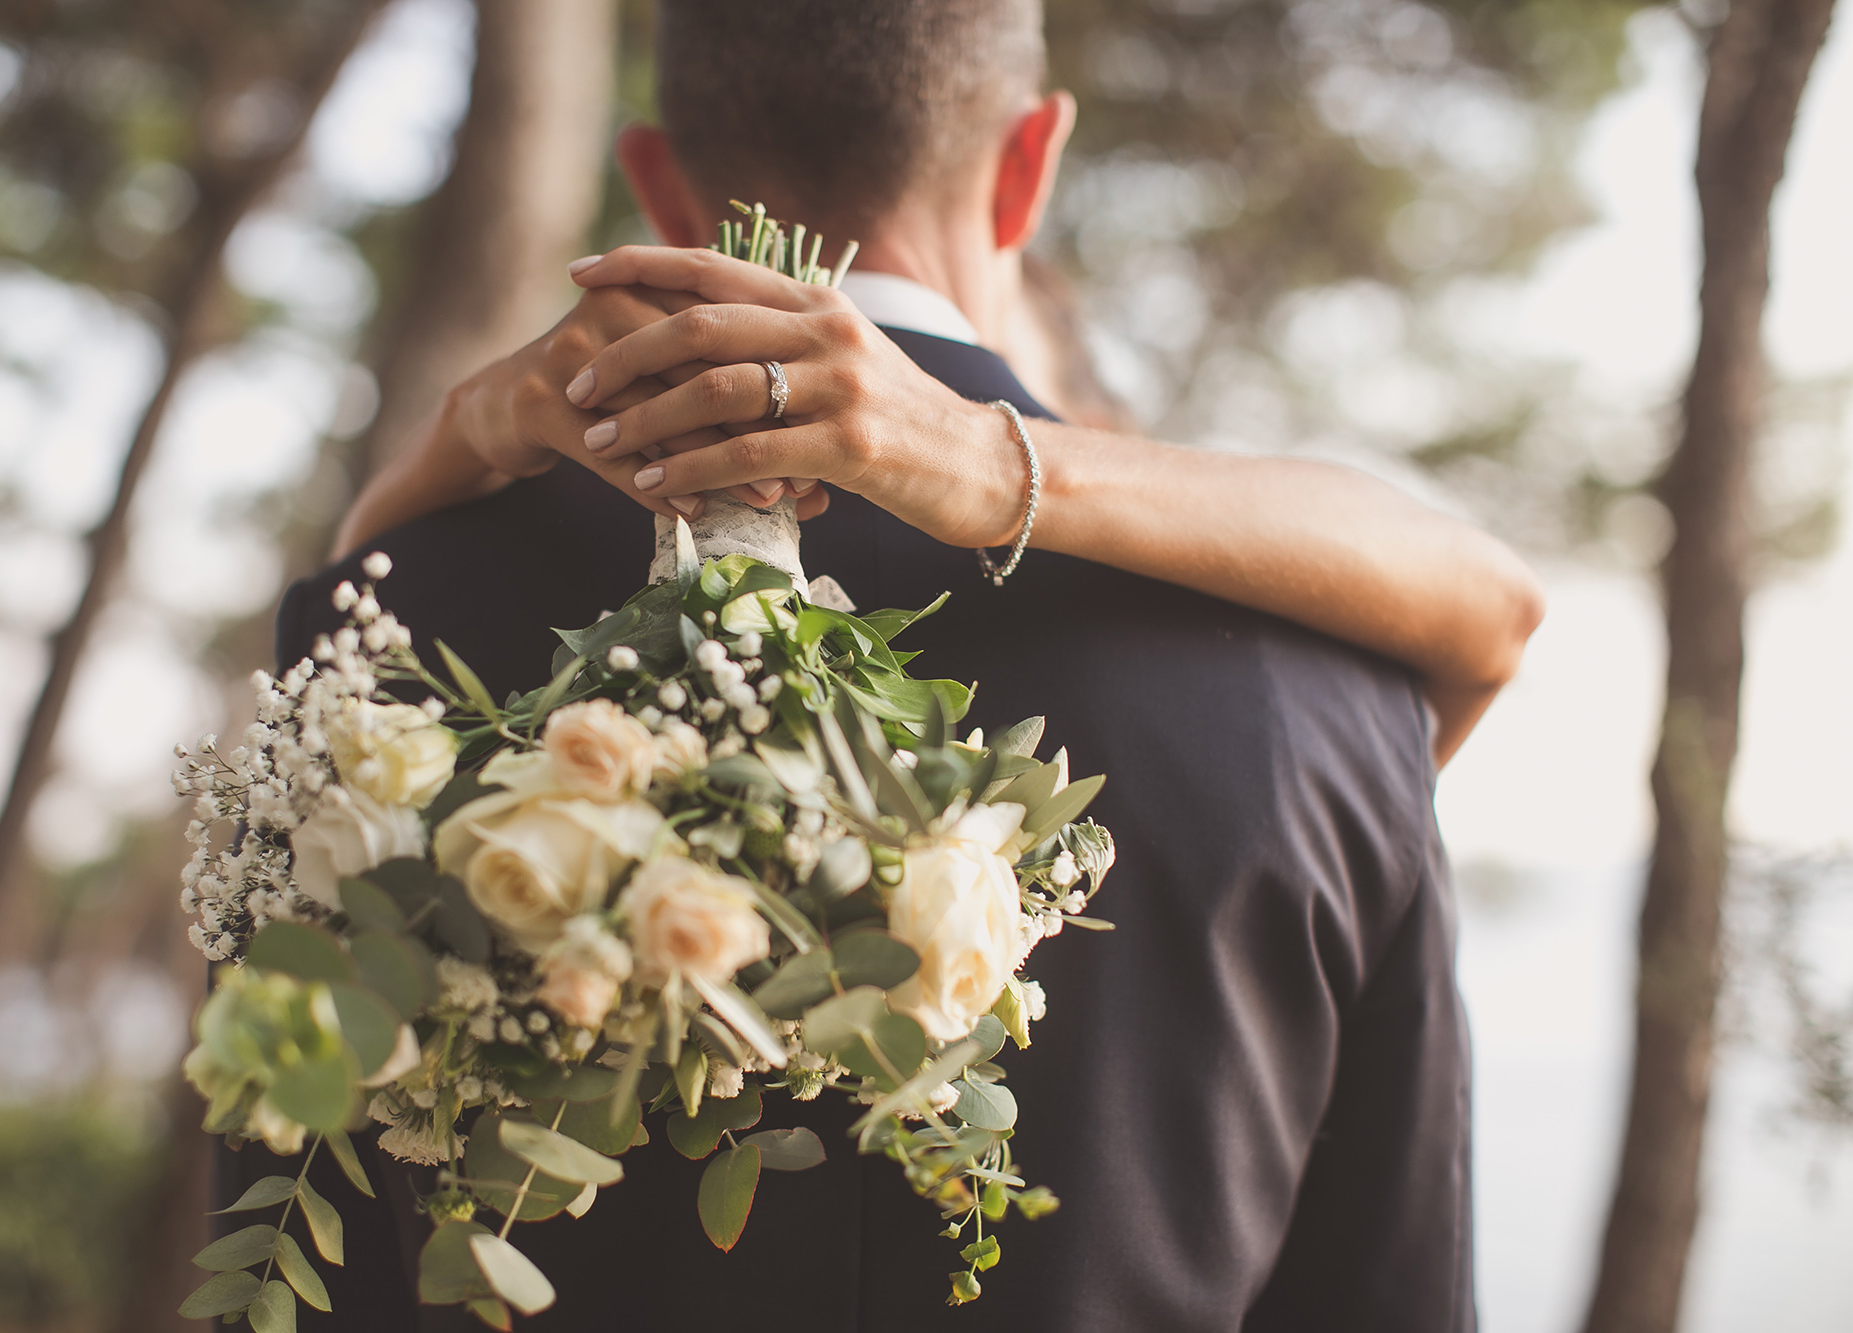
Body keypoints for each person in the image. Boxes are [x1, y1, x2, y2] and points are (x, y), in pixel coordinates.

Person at [233, 2, 1543, 1329]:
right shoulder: (1342, 695)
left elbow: (293, 1233)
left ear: (657, 183)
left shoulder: (374, 640)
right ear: (1032, 162)